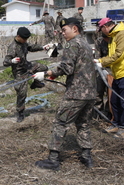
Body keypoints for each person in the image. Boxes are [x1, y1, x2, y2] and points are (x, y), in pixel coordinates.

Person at [33, 17, 96, 170]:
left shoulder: (72, 44)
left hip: (76, 93)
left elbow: (66, 68)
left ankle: (53, 159)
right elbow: (78, 67)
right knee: (83, 123)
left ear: (75, 29)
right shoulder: (86, 44)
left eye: (64, 30)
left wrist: (46, 73)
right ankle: (87, 157)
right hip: (90, 93)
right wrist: (54, 74)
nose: (62, 33)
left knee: (60, 123)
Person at [94, 18, 124, 138]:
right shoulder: (114, 36)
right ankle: (116, 124)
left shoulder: (122, 34)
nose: (102, 32)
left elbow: (119, 54)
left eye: (102, 30)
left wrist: (101, 61)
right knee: (114, 101)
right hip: (118, 74)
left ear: (106, 27)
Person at [3, 27, 49, 123]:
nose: (25, 41)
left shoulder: (24, 43)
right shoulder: (13, 47)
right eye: (24, 39)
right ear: (18, 36)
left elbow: (31, 47)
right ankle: (20, 112)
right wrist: (12, 61)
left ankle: (35, 83)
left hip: (27, 66)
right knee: (22, 93)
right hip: (20, 72)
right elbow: (5, 62)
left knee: (43, 68)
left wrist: (42, 47)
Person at [93, 32, 112, 120]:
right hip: (101, 69)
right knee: (98, 92)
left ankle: (109, 113)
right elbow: (97, 56)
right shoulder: (99, 41)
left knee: (111, 94)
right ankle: (97, 114)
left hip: (113, 71)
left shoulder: (116, 41)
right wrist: (99, 65)